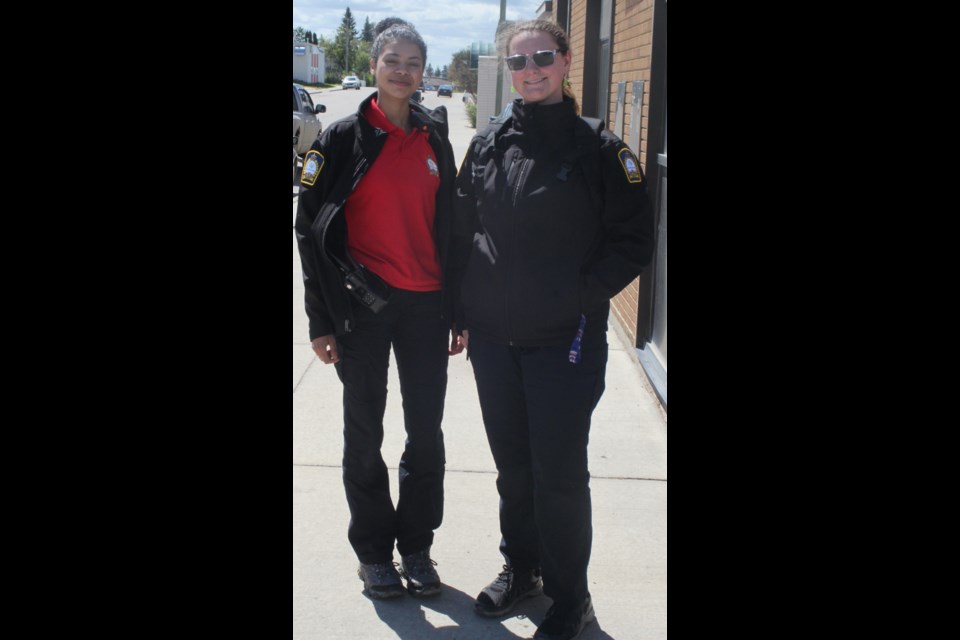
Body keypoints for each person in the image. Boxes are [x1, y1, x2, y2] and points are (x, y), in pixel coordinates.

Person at [451, 19, 655, 640]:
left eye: (543, 57)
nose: (531, 69)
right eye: (518, 62)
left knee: (559, 474)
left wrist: (579, 297)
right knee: (513, 468)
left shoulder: (599, 147)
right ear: (507, 70)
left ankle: (573, 599)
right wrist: (462, 309)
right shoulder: (488, 142)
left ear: (566, 62)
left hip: (563, 343)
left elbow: (634, 241)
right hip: (493, 341)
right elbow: (463, 229)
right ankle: (523, 570)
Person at [294, 17, 464, 600]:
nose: (402, 71)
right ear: (374, 65)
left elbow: (455, 227)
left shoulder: (434, 135)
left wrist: (458, 310)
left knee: (425, 433)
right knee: (364, 432)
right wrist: (320, 319)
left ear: (423, 72)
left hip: (426, 309)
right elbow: (309, 230)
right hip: (361, 309)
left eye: (413, 63)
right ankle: (373, 553)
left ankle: (416, 547)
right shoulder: (341, 138)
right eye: (392, 59)